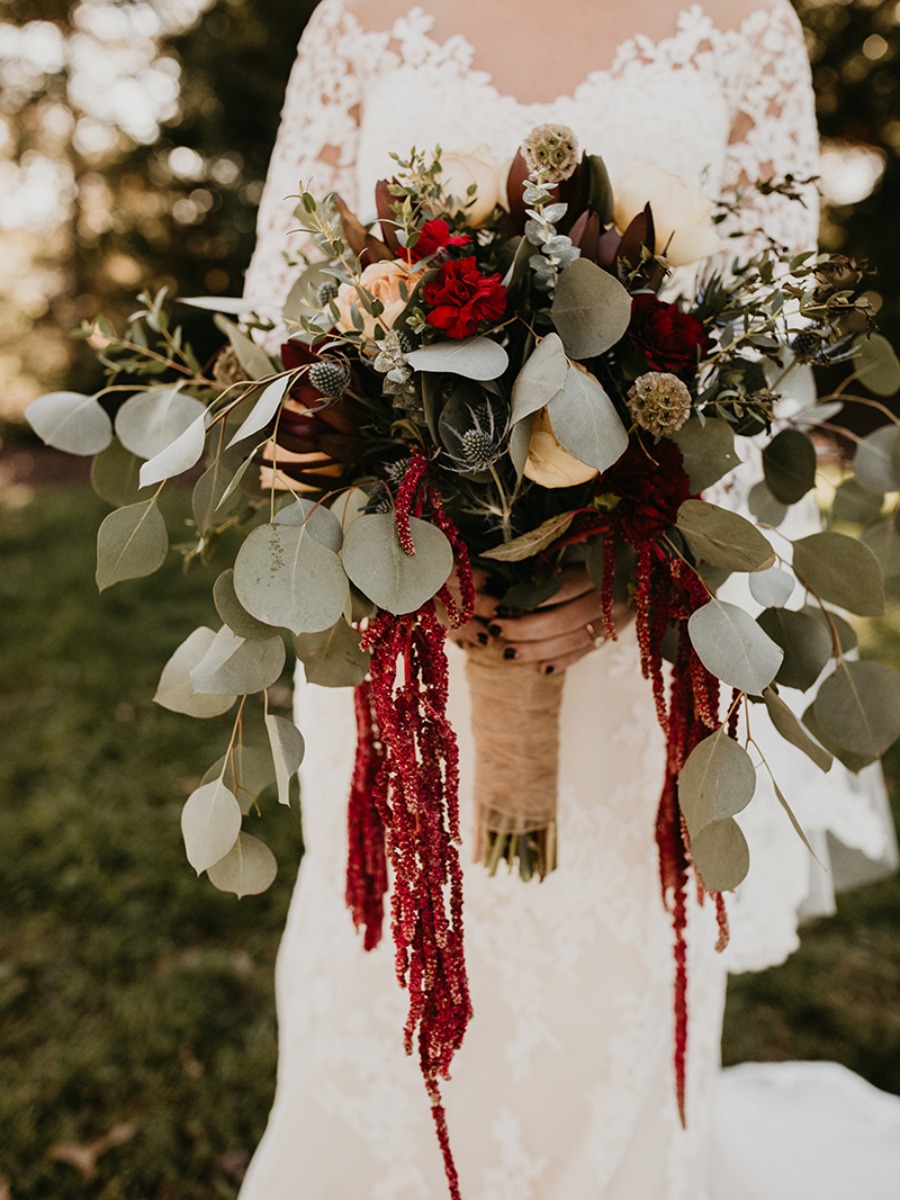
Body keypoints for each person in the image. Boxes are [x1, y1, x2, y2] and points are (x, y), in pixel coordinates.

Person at [239, 1, 900, 1196]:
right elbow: (287, 317)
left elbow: (773, 356)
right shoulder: (361, 17)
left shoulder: (746, 22)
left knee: (607, 965)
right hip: (400, 595)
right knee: (392, 940)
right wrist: (397, 533)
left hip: (641, 607)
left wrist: (633, 554)